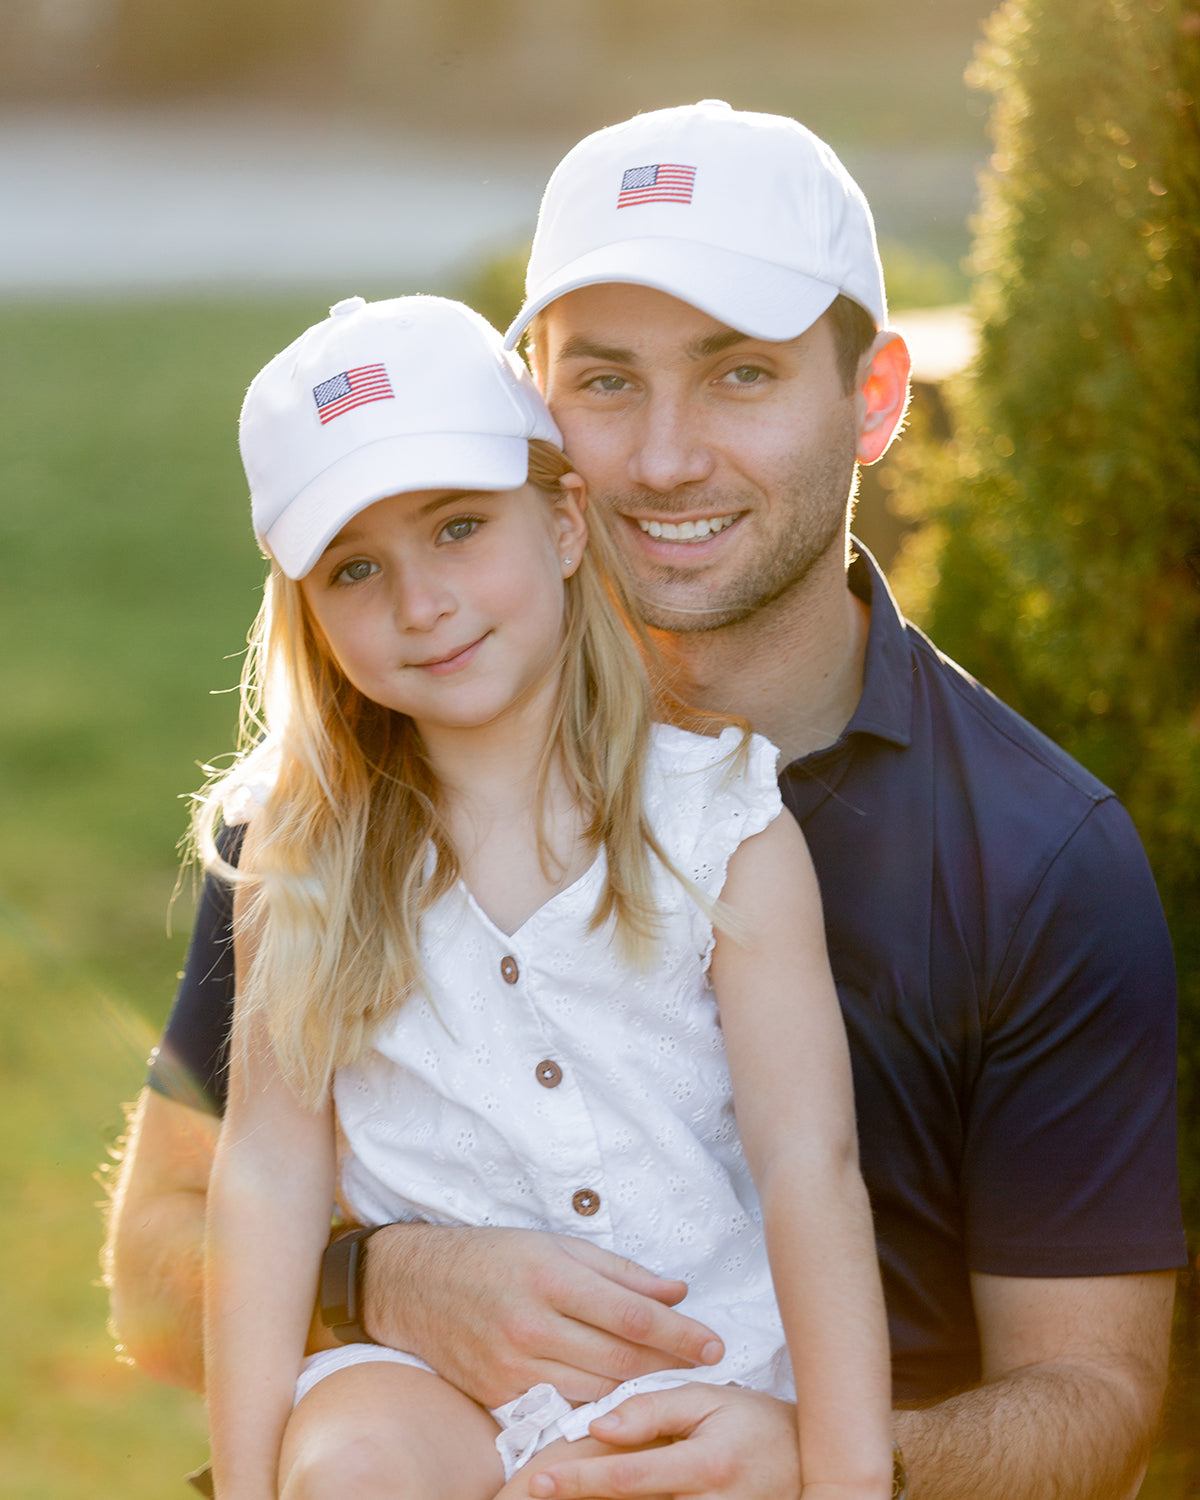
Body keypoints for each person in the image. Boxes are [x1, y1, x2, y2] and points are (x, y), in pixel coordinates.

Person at [105, 102, 1185, 1500]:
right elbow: (156, 1271)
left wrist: (824, 1462)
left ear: (872, 399)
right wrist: (381, 1282)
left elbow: (1098, 1399)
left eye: (740, 374)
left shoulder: (1040, 858)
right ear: (524, 401)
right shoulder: (341, 797)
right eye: (605, 382)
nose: (665, 458)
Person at [198, 290, 893, 1500]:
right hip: (424, 1383)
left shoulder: (718, 824)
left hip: (695, 1373)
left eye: (460, 528)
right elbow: (265, 1172)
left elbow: (809, 1167)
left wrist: (845, 1480)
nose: (422, 603)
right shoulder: (303, 855)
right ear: (305, 612)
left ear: (564, 521)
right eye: (356, 568)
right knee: (354, 1467)